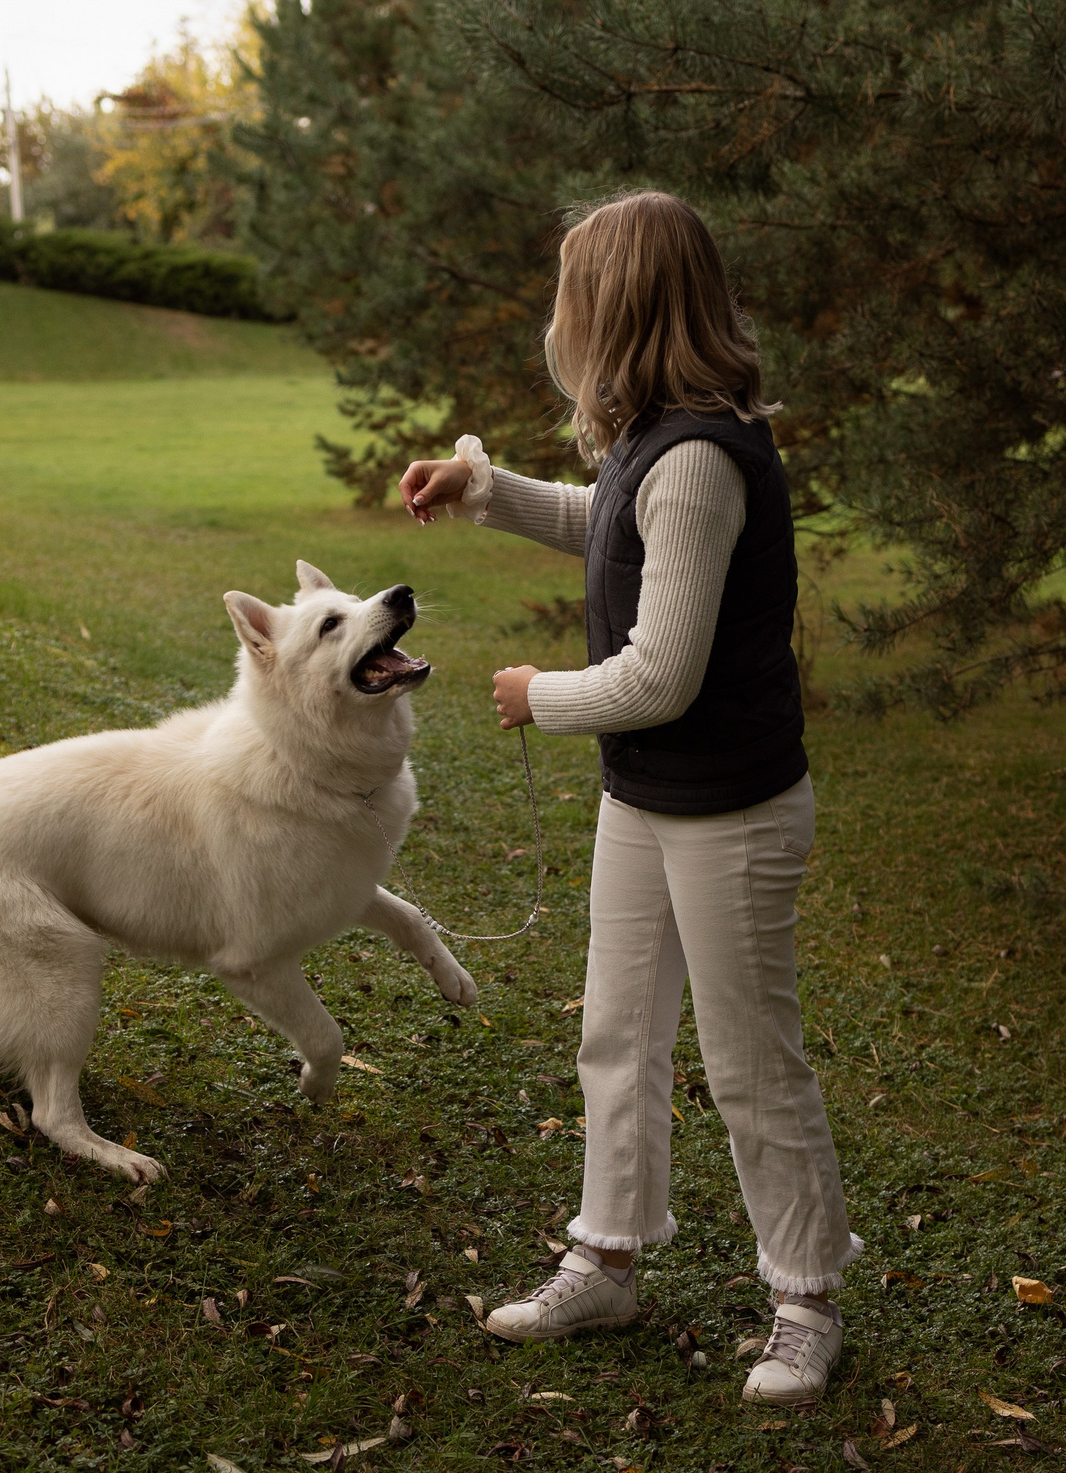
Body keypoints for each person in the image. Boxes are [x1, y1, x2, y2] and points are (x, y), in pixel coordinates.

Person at [397, 189, 862, 1405]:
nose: (561, 320)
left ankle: (805, 1300)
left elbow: (660, 676)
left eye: (574, 296)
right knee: (615, 1034)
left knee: (749, 1061)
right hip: (648, 798)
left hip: (733, 812)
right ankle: (606, 1259)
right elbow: (607, 525)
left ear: (619, 307)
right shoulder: (654, 438)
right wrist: (485, 489)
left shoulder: (700, 458)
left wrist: (535, 695)